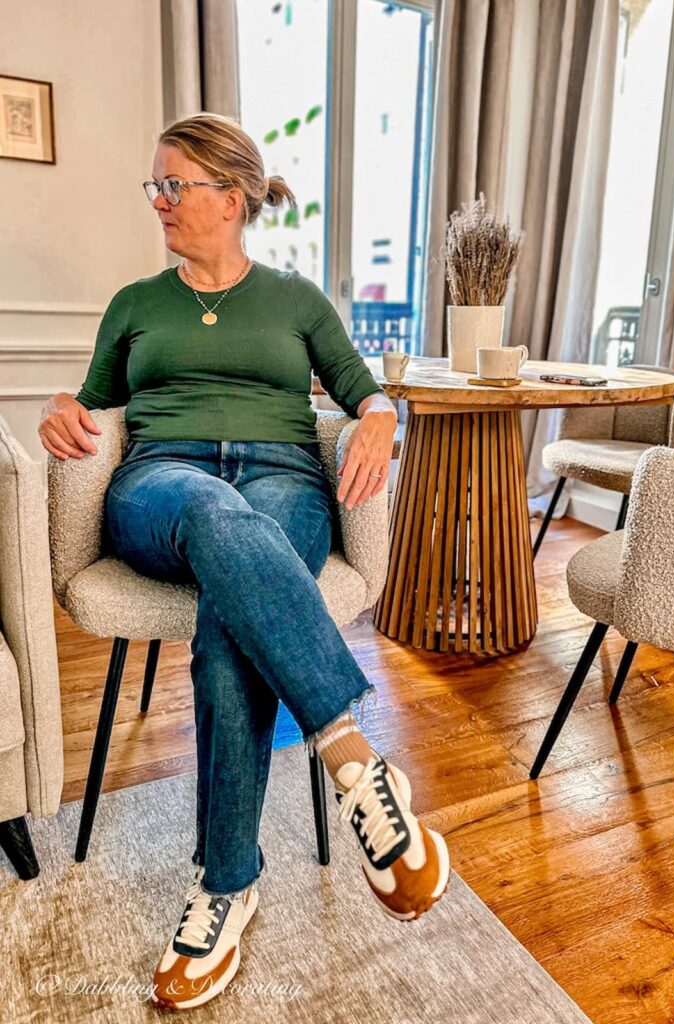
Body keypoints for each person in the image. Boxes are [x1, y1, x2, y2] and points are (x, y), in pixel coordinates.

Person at [38, 112, 450, 1012]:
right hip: (160, 486)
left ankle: (226, 885)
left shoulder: (298, 300)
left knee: (233, 621)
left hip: (284, 481)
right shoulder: (135, 304)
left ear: (231, 199)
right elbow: (94, 407)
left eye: (172, 186)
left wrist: (383, 415)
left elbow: (364, 389)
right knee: (212, 512)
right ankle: (350, 753)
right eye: (155, 186)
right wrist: (61, 413)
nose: (159, 202)